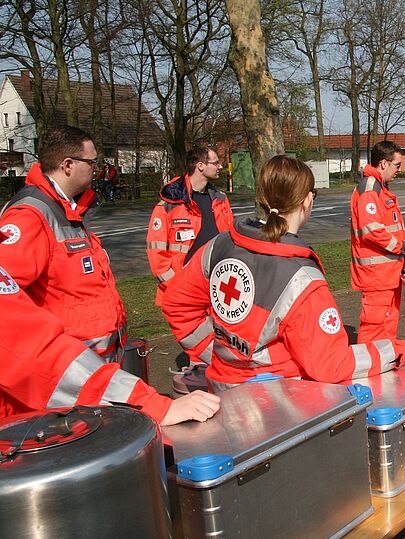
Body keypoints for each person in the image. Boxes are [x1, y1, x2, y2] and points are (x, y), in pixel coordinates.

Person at [163, 155, 405, 389]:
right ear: (306, 201)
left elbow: (176, 304)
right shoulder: (302, 278)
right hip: (280, 401)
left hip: (222, 387)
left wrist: (218, 354)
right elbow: (332, 364)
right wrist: (404, 348)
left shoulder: (220, 244)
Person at [0, 264, 220, 426]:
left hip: (81, 382)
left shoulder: (67, 216)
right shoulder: (33, 215)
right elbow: (28, 351)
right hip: (62, 395)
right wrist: (152, 406)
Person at [0, 126, 126, 362]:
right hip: (69, 369)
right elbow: (7, 298)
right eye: (92, 162)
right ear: (68, 165)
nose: (96, 169)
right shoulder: (30, 215)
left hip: (92, 364)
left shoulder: (68, 208)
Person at [147, 146, 234, 394]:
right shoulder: (168, 205)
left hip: (217, 286)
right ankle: (199, 394)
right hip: (188, 291)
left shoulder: (220, 200)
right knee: (199, 347)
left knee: (220, 343)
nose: (220, 166)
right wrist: (180, 289)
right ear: (200, 165)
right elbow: (157, 256)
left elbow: (229, 239)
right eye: (215, 162)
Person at [350, 140, 405, 344]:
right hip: (377, 276)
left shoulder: (379, 188)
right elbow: (372, 231)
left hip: (386, 274)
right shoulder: (371, 190)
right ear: (383, 163)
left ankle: (385, 364)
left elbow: (382, 226)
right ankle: (369, 369)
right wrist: (403, 246)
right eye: (397, 165)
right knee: (374, 328)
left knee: (387, 326)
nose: (399, 170)